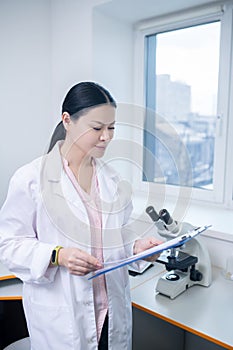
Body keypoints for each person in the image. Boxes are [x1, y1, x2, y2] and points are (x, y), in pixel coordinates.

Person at [0, 82, 161, 350]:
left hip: (111, 315)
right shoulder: (31, 179)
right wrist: (57, 255)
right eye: (96, 128)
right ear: (67, 120)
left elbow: (116, 238)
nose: (106, 137)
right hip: (63, 320)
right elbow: (8, 245)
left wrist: (137, 248)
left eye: (111, 128)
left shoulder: (114, 181)